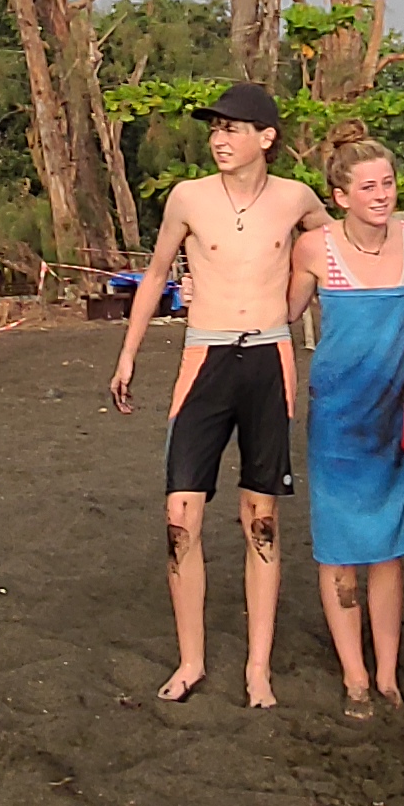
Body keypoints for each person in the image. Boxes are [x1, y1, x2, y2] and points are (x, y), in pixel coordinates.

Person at [109, 86, 324, 708]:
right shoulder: (189, 198)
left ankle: (258, 668)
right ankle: (192, 660)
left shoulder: (296, 200)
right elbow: (154, 275)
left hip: (268, 359)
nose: (220, 139)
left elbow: (331, 250)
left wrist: (297, 302)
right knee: (181, 516)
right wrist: (127, 354)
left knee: (260, 520)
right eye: (215, 129)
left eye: (234, 128)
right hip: (203, 358)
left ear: (267, 137)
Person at [297, 144, 404, 713]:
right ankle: (354, 675)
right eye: (367, 187)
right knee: (337, 548)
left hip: (397, 417)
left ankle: (387, 674)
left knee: (388, 549)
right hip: (337, 415)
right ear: (340, 196)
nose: (381, 196)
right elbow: (277, 316)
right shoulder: (315, 248)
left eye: (387, 183)